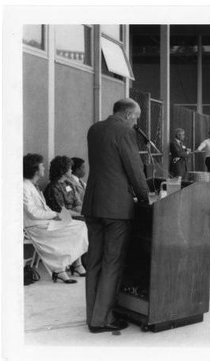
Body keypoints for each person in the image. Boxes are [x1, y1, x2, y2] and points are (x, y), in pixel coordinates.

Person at [82, 98, 149, 333]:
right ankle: (103, 319)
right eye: (137, 117)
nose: (137, 122)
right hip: (116, 209)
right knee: (112, 262)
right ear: (128, 114)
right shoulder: (124, 132)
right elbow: (134, 169)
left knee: (94, 262)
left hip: (93, 204)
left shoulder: (95, 129)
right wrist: (144, 197)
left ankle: (92, 315)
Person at [23, 153, 88, 284]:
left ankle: (62, 268)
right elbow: (32, 212)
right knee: (78, 226)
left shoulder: (31, 185)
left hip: (44, 222)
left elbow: (44, 208)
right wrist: (54, 215)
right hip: (35, 227)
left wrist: (55, 216)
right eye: (41, 166)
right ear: (34, 169)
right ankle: (63, 268)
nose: (44, 169)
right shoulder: (24, 187)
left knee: (79, 226)